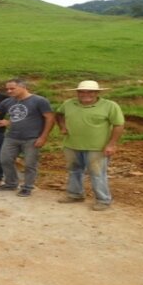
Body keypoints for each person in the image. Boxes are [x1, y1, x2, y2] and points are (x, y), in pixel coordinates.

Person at [56, 80, 124, 211]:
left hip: (97, 147)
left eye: (90, 91)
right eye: (82, 91)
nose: (85, 94)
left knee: (97, 174)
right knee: (74, 170)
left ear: (97, 93)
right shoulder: (68, 104)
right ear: (77, 92)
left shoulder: (110, 106)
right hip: (72, 144)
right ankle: (75, 194)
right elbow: (59, 114)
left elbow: (118, 125)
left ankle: (103, 200)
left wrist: (112, 144)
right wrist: (63, 126)